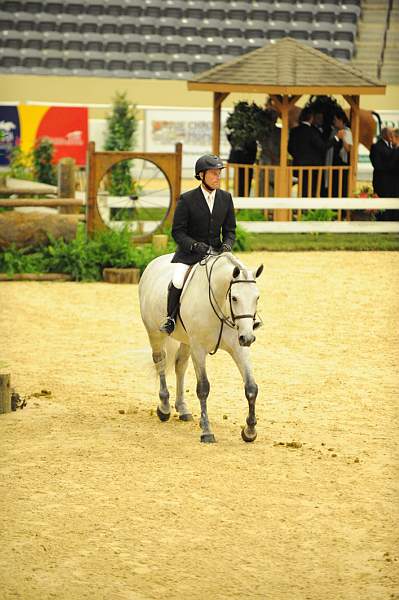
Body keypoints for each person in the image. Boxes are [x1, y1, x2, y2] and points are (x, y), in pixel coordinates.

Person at [159, 154, 236, 335]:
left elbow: (230, 230)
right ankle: (170, 318)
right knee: (178, 280)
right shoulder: (187, 199)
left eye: (219, 173)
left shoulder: (226, 198)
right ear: (201, 175)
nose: (218, 177)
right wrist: (194, 245)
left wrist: (227, 245)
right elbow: (177, 232)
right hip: (190, 254)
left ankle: (240, 319)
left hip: (217, 253)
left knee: (238, 278)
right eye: (213, 173)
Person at [288, 107, 327, 197]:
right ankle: (308, 209)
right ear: (311, 118)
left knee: (302, 188)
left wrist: (298, 156)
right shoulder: (312, 131)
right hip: (312, 167)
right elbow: (322, 147)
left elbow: (289, 148)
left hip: (298, 165)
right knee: (312, 189)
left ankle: (301, 209)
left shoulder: (294, 131)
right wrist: (336, 138)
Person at [329, 109, 353, 197]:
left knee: (341, 188)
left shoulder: (347, 131)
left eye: (335, 119)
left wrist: (342, 138)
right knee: (333, 188)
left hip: (342, 163)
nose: (334, 121)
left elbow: (348, 149)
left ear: (341, 120)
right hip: (333, 163)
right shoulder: (334, 131)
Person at [369, 127, 395, 198]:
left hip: (393, 183)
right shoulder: (376, 147)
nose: (392, 136)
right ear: (384, 134)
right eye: (391, 133)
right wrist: (392, 168)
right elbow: (377, 165)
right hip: (382, 182)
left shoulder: (394, 146)